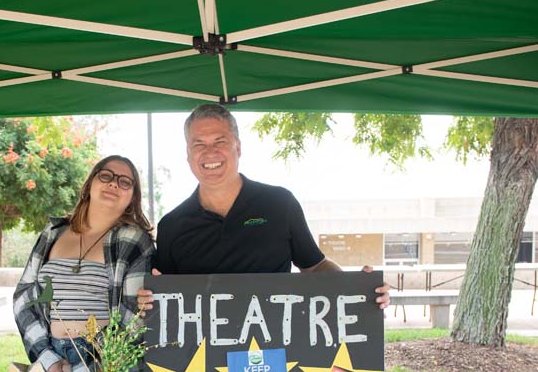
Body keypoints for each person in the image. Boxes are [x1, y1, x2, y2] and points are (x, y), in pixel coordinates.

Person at [141, 103, 390, 307]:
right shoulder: (172, 225)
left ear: (237, 147)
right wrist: (147, 298)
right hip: (202, 358)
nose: (210, 152)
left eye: (220, 141)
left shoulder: (280, 203)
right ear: (187, 154)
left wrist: (359, 288)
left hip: (273, 355)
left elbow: (315, 267)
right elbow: (164, 297)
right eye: (199, 144)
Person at [14, 155, 155, 372]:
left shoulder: (133, 240)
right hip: (52, 358)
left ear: (132, 198)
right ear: (90, 183)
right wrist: (48, 359)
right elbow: (24, 299)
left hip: (105, 365)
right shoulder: (52, 233)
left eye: (125, 182)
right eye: (106, 176)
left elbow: (134, 321)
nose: (114, 184)